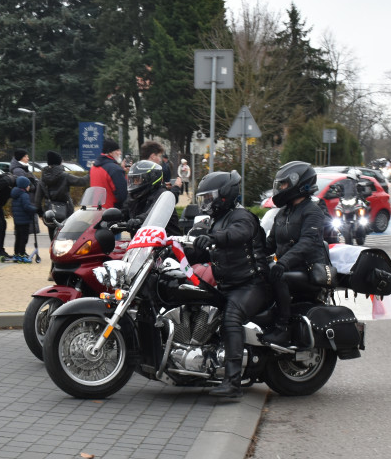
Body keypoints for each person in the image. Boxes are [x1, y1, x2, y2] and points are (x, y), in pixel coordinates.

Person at [186, 170, 271, 399]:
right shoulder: (217, 219)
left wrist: (214, 238)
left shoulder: (241, 217)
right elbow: (202, 248)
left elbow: (237, 234)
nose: (206, 203)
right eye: (203, 199)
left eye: (209, 198)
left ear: (224, 195)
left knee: (230, 319)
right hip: (229, 283)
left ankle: (233, 383)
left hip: (251, 285)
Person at [260, 161, 328, 345]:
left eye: (283, 184)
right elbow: (270, 243)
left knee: (278, 276)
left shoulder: (313, 211)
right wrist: (250, 255)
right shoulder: (283, 213)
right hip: (289, 267)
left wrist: (283, 263)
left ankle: (283, 328)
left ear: (297, 183)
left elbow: (307, 242)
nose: (280, 188)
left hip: (308, 270)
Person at [33, 151, 88, 241]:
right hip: (66, 210)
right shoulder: (64, 176)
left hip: (50, 211)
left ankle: (54, 254)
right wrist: (91, 172)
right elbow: (82, 181)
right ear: (59, 162)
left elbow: (37, 199)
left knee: (53, 239)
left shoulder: (43, 177)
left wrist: (40, 213)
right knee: (66, 238)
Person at [122, 161, 182, 236]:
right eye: (132, 180)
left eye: (137, 180)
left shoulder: (163, 195)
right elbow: (124, 212)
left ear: (150, 178)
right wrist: (112, 220)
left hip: (167, 242)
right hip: (140, 244)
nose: (133, 184)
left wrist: (139, 220)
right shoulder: (134, 196)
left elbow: (153, 213)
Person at [89, 139, 127, 209]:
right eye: (118, 150)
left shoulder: (94, 167)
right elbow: (123, 195)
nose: (120, 153)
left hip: (95, 211)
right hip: (111, 213)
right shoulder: (115, 169)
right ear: (110, 153)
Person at [10, 176, 38, 263]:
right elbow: (26, 207)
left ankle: (16, 254)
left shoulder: (15, 194)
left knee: (18, 238)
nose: (29, 187)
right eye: (28, 185)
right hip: (24, 220)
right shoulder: (24, 195)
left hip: (17, 221)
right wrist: (34, 209)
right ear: (25, 186)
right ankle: (22, 255)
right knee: (23, 238)